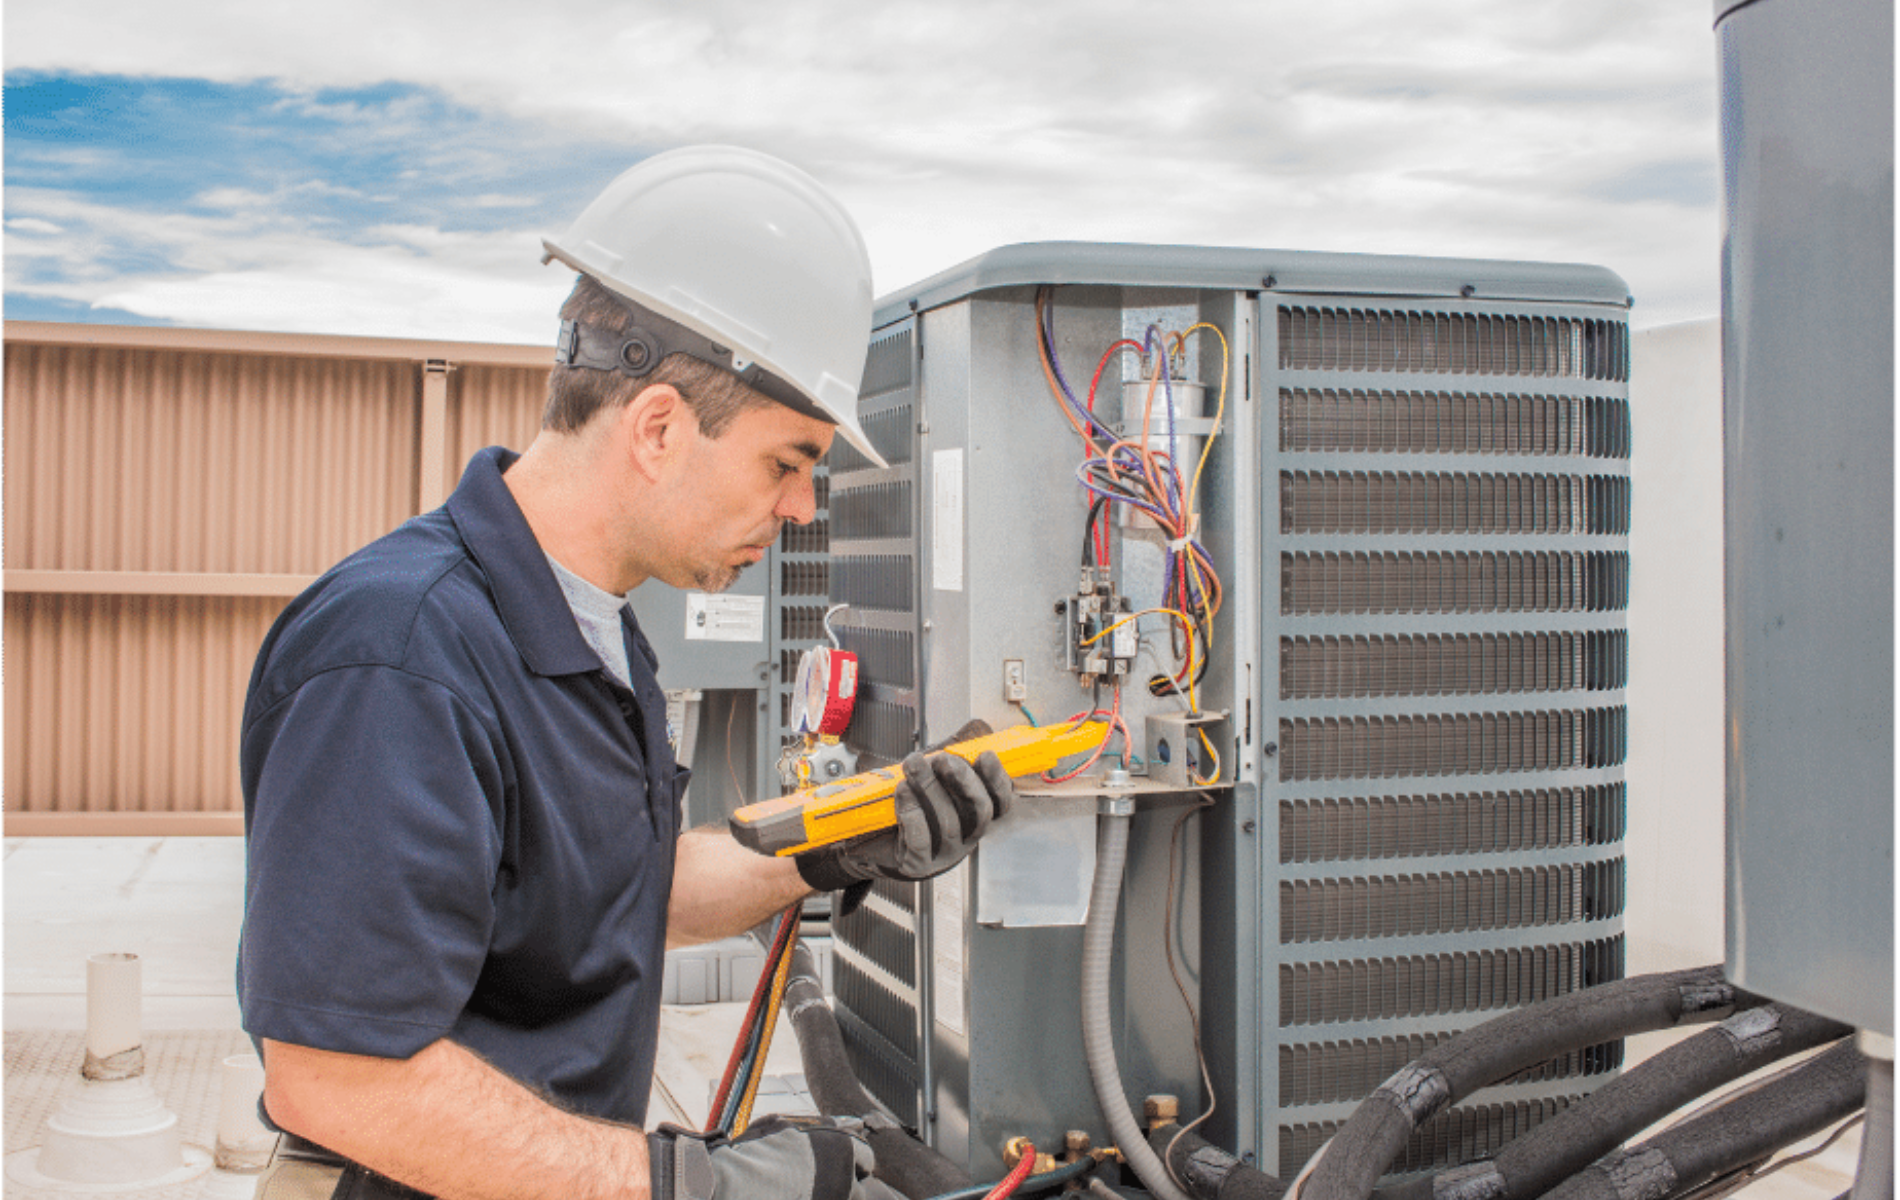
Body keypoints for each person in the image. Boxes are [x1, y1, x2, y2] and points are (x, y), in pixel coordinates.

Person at [237, 146, 1016, 1200]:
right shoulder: (400, 656)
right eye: (785, 464)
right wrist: (694, 1185)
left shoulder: (591, 627)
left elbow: (615, 900)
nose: (799, 510)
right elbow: (337, 1080)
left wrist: (842, 841)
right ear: (657, 428)